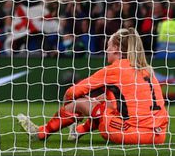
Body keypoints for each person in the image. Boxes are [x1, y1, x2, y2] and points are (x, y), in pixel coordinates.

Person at [17, 27, 168, 145]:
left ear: (116, 48)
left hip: (132, 133)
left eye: (108, 46)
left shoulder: (115, 69)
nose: (106, 50)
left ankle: (41, 133)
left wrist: (70, 107)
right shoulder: (147, 70)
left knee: (81, 103)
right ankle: (78, 131)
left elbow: (72, 92)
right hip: (159, 135)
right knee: (106, 101)